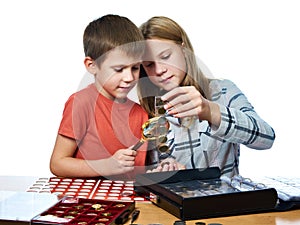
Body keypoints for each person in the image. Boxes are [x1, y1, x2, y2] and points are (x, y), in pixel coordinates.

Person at [137, 16, 275, 177]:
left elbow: (266, 138)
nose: (159, 70)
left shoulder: (223, 91)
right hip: (175, 201)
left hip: (224, 201)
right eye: (149, 65)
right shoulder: (145, 112)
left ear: (184, 50)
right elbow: (141, 177)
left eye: (166, 56)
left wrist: (210, 111)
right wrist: (163, 172)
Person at [50, 14, 148, 179]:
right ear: (92, 65)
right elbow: (58, 163)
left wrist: (163, 168)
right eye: (119, 69)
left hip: (129, 201)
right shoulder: (81, 104)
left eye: (135, 68)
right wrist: (106, 166)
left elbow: (138, 173)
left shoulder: (141, 114)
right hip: (87, 202)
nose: (129, 77)